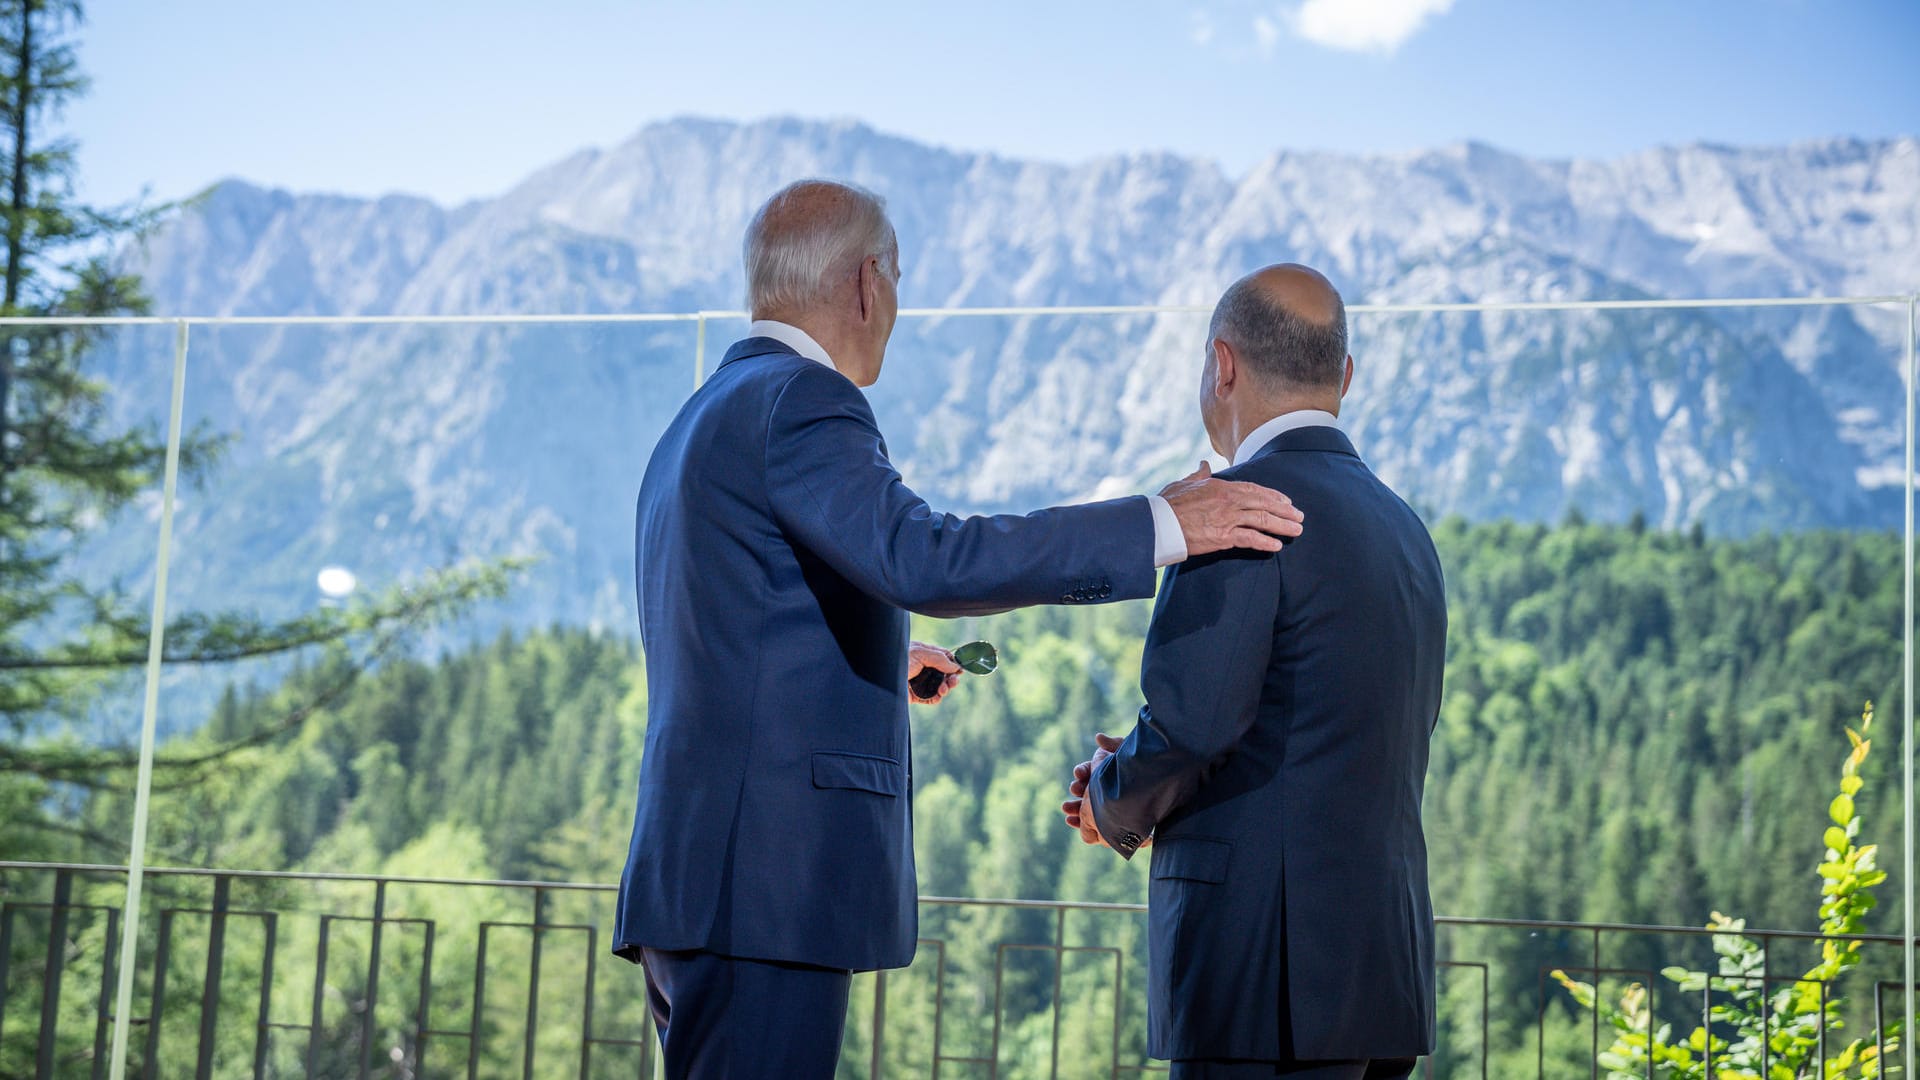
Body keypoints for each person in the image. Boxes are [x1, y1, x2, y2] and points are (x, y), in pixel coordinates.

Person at [615, 179, 1307, 1079]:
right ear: (869, 282)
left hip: (699, 878)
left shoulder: (703, 414)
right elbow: (929, 559)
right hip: (763, 889)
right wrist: (1160, 522)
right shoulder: (804, 402)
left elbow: (724, 626)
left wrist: (871, 655)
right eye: (898, 281)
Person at [1062, 264, 1448, 1080]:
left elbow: (1194, 726)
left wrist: (1107, 796)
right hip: (1379, 977)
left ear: (1223, 366)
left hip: (1263, 987)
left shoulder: (1235, 513)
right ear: (1343, 377)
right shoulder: (1404, 527)